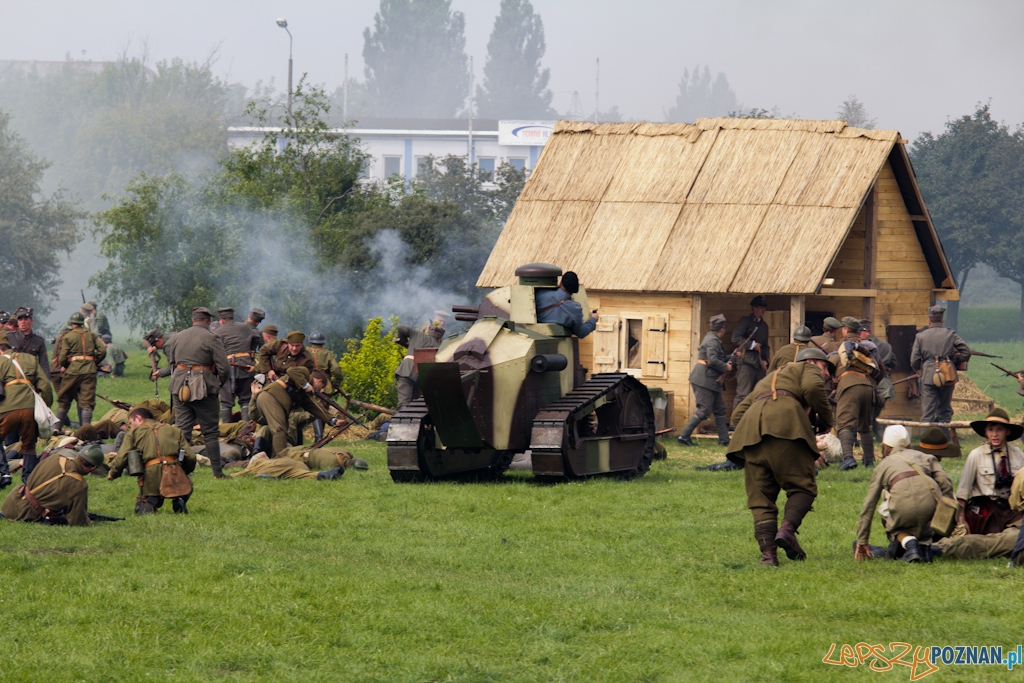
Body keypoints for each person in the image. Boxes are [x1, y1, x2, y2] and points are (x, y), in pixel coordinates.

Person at [727, 347, 834, 565]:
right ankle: (787, 531)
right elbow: (813, 387)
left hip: (751, 438)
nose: (827, 375)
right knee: (803, 487)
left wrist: (760, 425)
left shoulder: (766, 381)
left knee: (761, 500)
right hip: (785, 430)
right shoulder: (807, 367)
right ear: (812, 361)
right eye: (825, 368)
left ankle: (768, 556)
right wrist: (826, 420)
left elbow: (737, 416)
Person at [928, 409, 1024, 560]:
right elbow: (963, 491)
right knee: (993, 541)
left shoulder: (1018, 454)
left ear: (1007, 432)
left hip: (1012, 510)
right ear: (985, 432)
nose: (995, 434)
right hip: (988, 511)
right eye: (991, 430)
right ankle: (944, 548)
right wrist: (962, 519)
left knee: (1015, 536)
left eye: (999, 430)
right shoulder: (976, 455)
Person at [854, 425, 955, 563]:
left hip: (903, 509)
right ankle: (922, 548)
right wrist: (947, 514)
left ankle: (910, 543)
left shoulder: (884, 464)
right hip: (930, 507)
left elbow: (869, 505)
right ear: (908, 443)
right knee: (922, 524)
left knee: (886, 513)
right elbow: (946, 483)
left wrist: (862, 540)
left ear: (885, 445)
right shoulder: (926, 456)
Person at [165, 307, 230, 478]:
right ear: (208, 322)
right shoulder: (212, 337)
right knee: (210, 432)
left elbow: (171, 362)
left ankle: (177, 470)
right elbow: (224, 367)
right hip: (204, 388)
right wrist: (218, 382)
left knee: (182, 431)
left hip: (179, 386)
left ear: (194, 320)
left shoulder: (177, 337)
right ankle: (217, 473)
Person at [108, 407, 197, 514]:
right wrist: (184, 472)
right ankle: (179, 499)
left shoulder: (134, 433)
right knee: (187, 485)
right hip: (174, 472)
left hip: (151, 476)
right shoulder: (175, 430)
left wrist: (113, 473)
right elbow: (191, 457)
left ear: (138, 418)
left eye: (131, 423)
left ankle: (150, 501)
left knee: (141, 505)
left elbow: (122, 457)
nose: (131, 427)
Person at [252, 366, 345, 458]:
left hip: (273, 401)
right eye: (322, 387)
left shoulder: (304, 394)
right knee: (279, 429)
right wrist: (306, 385)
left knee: (280, 431)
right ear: (318, 381)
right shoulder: (304, 373)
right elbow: (291, 370)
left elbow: (314, 407)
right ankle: (281, 459)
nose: (320, 390)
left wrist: (333, 420)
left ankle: (279, 458)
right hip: (270, 397)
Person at [1, 444, 104, 526]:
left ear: (78, 455)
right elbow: (77, 521)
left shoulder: (55, 457)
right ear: (93, 468)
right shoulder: (79, 484)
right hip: (25, 513)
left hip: (12, 500)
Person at [0, 332, 53, 484]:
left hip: (7, 408)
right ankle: (27, 480)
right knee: (29, 446)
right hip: (30, 408)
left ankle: (4, 474)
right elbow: (45, 387)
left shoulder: (0, 362)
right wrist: (46, 407)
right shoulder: (30, 359)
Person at [832, 317, 882, 470]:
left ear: (845, 330)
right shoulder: (868, 350)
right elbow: (880, 373)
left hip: (849, 387)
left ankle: (848, 458)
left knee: (844, 424)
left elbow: (829, 369)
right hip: (868, 387)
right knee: (865, 426)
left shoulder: (839, 347)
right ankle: (869, 460)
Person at [910, 305, 970, 428]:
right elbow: (966, 352)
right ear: (942, 320)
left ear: (929, 320)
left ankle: (926, 443)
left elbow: (914, 360)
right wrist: (954, 361)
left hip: (928, 376)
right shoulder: (950, 334)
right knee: (944, 411)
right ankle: (946, 441)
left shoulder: (920, 336)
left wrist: (922, 368)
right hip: (948, 374)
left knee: (927, 414)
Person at [678, 314, 732, 447]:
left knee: (719, 409)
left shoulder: (712, 339)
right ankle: (683, 436)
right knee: (704, 410)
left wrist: (732, 356)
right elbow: (713, 360)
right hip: (704, 379)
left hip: (710, 380)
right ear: (722, 329)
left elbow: (717, 358)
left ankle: (724, 439)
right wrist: (726, 366)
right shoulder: (713, 341)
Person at [56, 311, 106, 428]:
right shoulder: (91, 335)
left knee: (64, 398)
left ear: (72, 324)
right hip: (89, 371)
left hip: (73, 371)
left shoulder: (68, 336)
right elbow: (102, 351)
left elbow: (62, 357)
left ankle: (57, 429)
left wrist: (65, 365)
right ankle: (86, 429)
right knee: (87, 401)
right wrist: (94, 362)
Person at [214, 307, 263, 423]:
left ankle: (226, 427)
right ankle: (246, 429)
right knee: (246, 399)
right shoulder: (246, 327)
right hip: (245, 367)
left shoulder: (217, 332)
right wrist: (252, 350)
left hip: (226, 368)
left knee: (226, 402)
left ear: (221, 320)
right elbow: (259, 340)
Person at [731, 295, 770, 414]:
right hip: (746, 362)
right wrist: (752, 345)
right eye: (759, 307)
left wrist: (766, 359)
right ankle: (735, 423)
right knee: (743, 393)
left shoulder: (764, 326)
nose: (762, 310)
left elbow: (765, 346)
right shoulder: (746, 321)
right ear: (753, 308)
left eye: (764, 307)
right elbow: (735, 338)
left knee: (761, 393)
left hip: (758, 364)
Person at [393, 320, 444, 411]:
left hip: (406, 371)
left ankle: (403, 423)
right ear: (439, 339)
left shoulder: (417, 335)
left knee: (403, 404)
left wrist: (404, 341)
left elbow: (400, 327)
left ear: (428, 332)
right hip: (421, 377)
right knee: (416, 406)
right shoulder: (439, 348)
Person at [859, 319, 896, 441]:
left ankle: (871, 437)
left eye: (860, 331)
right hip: (884, 386)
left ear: (865, 332)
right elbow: (894, 363)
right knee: (873, 415)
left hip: (867, 383)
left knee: (867, 416)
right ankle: (883, 437)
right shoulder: (886, 345)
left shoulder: (861, 345)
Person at [534, 271, 598, 338]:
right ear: (575, 289)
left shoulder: (539, 293)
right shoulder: (575, 309)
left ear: (560, 283)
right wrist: (593, 319)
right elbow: (581, 332)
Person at [230, 451, 345, 480]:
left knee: (265, 472)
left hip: (281, 464)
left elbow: (243, 473)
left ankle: (326, 474)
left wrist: (232, 475)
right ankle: (327, 474)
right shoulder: (265, 461)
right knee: (301, 475)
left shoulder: (259, 464)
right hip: (299, 465)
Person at [8, 306, 51, 381]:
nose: (23, 322)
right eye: (20, 319)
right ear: (17, 322)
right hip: (13, 377)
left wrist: (46, 383)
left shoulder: (39, 341)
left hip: (31, 378)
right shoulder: (9, 337)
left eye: (26, 319)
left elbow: (44, 364)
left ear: (31, 321)